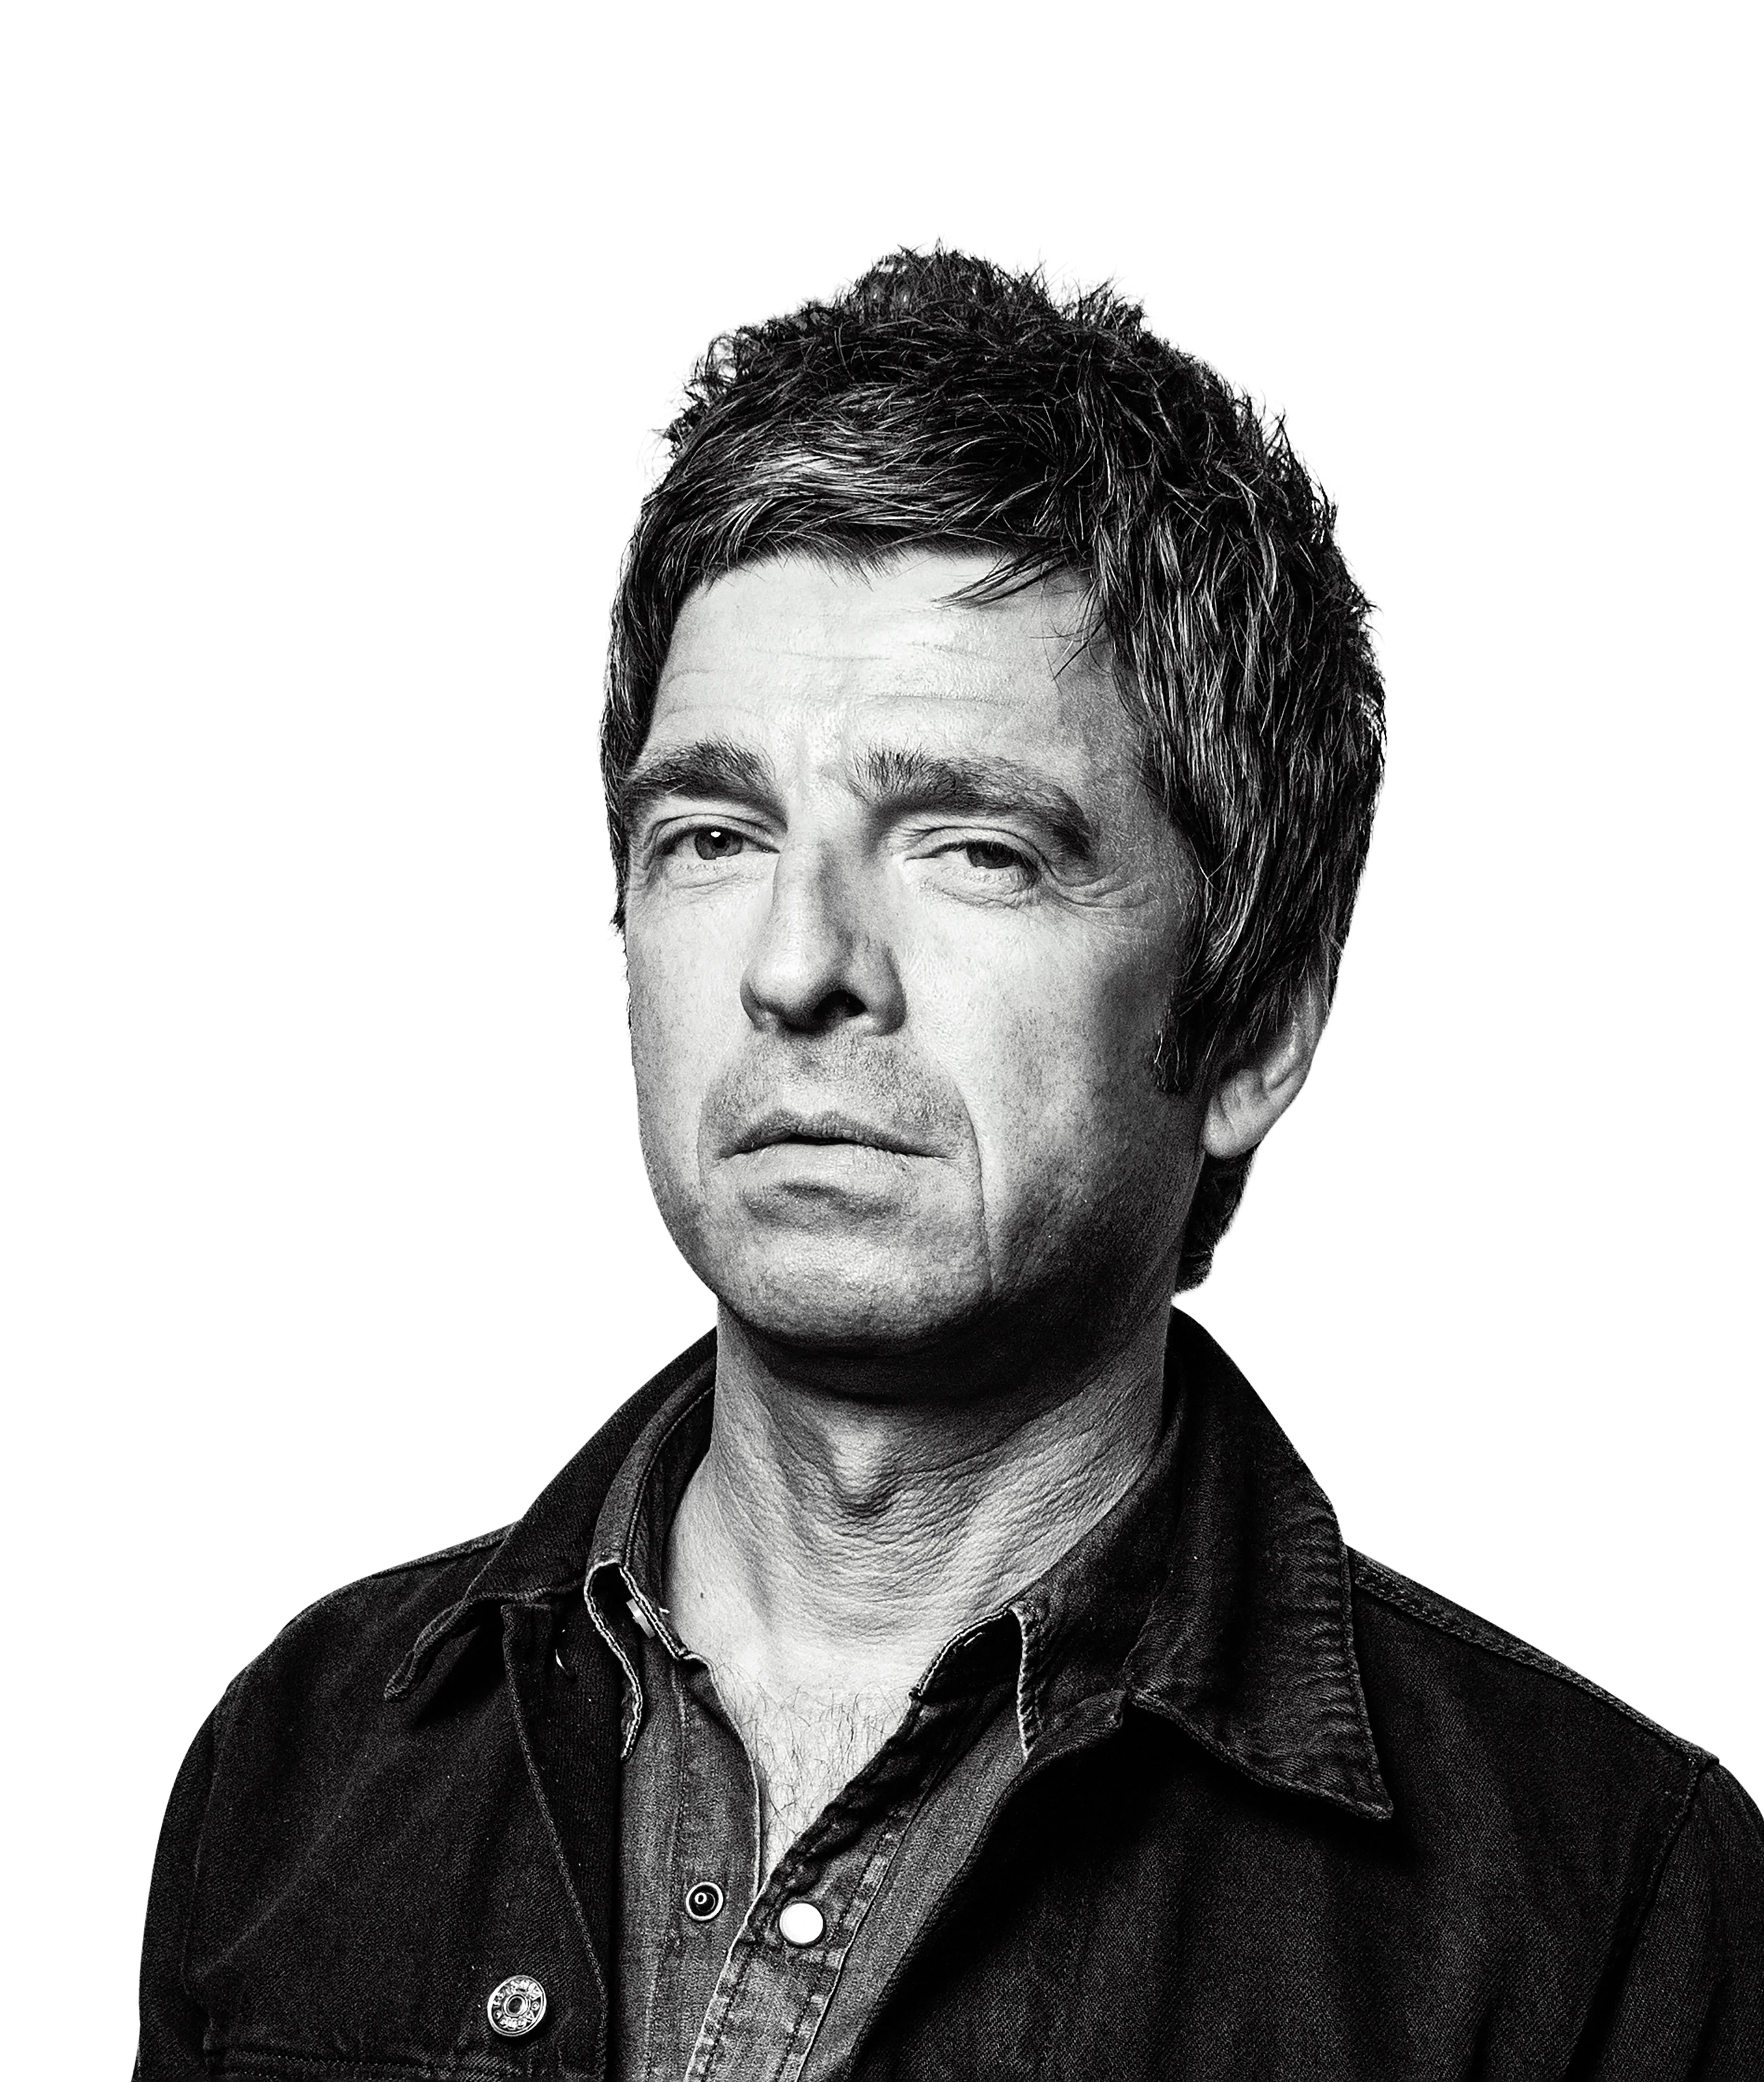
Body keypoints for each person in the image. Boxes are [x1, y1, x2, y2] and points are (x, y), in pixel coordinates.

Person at [135, 249, 1764, 2081]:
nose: (798, 963)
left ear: (1251, 1028)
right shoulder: (301, 1771)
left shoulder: (1608, 1918)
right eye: (713, 833)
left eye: (974, 848)